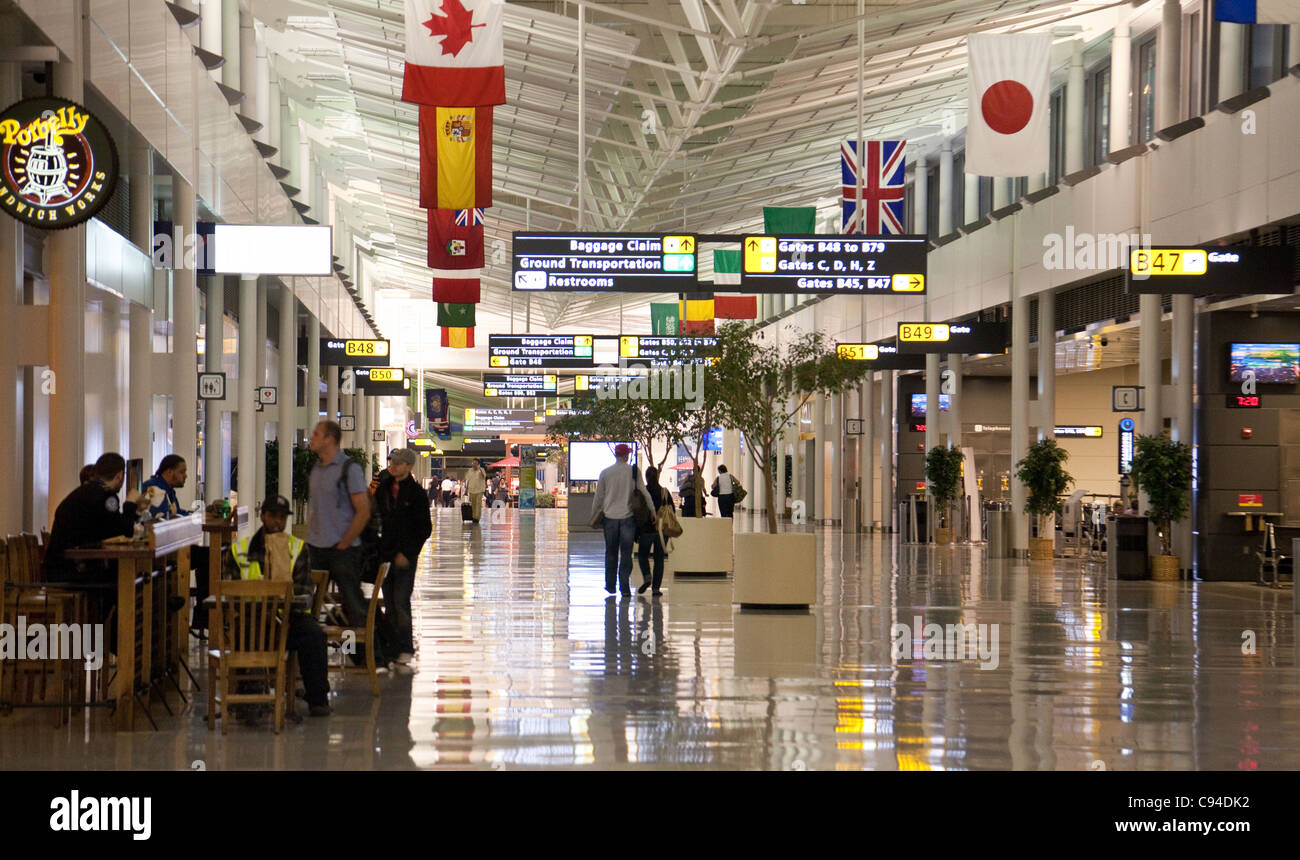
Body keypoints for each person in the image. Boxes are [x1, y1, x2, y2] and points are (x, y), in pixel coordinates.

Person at [224, 495, 331, 717]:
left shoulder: (297, 548)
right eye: (273, 516)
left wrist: (282, 599)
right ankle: (249, 698)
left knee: (314, 635)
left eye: (282, 517)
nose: (277, 522)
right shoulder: (240, 550)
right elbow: (228, 591)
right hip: (251, 620)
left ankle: (317, 698)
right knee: (248, 631)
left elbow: (304, 594)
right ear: (263, 516)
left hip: (289, 620)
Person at [306, 420, 385, 668]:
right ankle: (313, 661)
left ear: (329, 439)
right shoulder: (317, 469)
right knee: (307, 605)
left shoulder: (349, 469)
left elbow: (363, 511)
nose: (312, 437)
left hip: (343, 549)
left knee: (352, 603)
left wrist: (345, 543)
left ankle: (372, 658)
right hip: (316, 548)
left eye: (317, 434)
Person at [43, 453, 147, 622]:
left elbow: (109, 526)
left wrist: (133, 511)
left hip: (60, 566)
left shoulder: (86, 492)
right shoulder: (106, 496)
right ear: (120, 476)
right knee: (126, 580)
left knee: (119, 576)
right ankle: (114, 639)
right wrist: (130, 504)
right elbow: (122, 529)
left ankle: (104, 637)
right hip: (71, 570)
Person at [373, 449, 431, 665]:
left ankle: (406, 647)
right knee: (389, 601)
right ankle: (392, 647)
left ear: (408, 466)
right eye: (392, 463)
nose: (393, 466)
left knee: (400, 601)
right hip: (386, 555)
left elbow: (424, 528)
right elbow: (375, 515)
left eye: (398, 463)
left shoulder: (416, 494)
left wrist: (408, 553)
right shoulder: (384, 490)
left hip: (405, 558)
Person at [592, 444, 656, 596]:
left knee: (611, 552)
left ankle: (610, 585)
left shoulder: (606, 473)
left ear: (615, 455)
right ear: (626, 455)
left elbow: (598, 497)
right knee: (626, 554)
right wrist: (652, 510)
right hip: (628, 519)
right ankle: (625, 587)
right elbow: (643, 491)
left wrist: (594, 513)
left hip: (610, 518)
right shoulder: (633, 472)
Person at [636, 465, 670, 596]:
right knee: (659, 558)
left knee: (643, 555)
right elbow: (670, 510)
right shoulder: (664, 492)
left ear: (646, 477)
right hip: (661, 531)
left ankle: (647, 576)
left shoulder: (643, 492)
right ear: (657, 477)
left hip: (647, 529)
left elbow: (638, 511)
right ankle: (656, 588)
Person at [142, 454, 189, 520]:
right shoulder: (154, 489)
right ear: (169, 472)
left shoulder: (169, 490)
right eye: (182, 472)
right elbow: (163, 519)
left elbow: (177, 512)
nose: (185, 476)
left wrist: (200, 515)